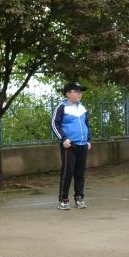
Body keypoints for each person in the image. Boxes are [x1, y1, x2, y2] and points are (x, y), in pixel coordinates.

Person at [51, 81, 91, 209]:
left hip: (83, 144)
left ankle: (79, 198)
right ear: (68, 93)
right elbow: (54, 124)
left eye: (81, 92)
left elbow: (86, 124)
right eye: (77, 91)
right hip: (70, 145)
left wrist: (88, 140)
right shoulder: (62, 107)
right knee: (67, 172)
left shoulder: (82, 108)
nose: (80, 94)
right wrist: (63, 139)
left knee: (80, 173)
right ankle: (63, 199)